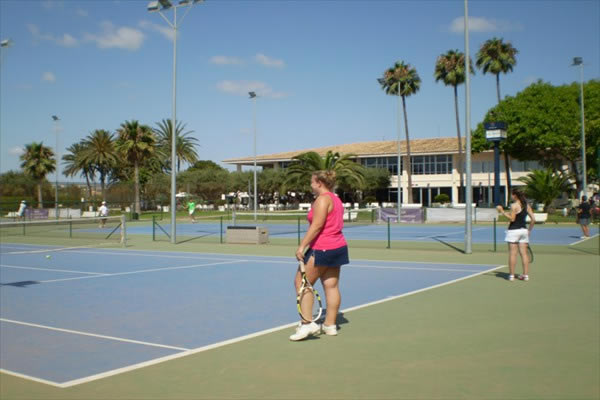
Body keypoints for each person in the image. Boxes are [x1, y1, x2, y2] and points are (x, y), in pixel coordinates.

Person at [290, 170, 349, 341]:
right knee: (331, 286)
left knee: (301, 283)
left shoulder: (322, 200)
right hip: (338, 247)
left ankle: (307, 324)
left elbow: (317, 226)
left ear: (319, 183)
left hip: (322, 247)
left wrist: (302, 246)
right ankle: (330, 325)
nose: (310, 185)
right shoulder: (336, 199)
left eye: (312, 182)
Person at [496, 189, 535, 282]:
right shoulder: (527, 205)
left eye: (511, 195)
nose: (511, 196)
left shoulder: (514, 205)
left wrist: (502, 211)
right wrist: (529, 230)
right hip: (524, 231)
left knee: (513, 254)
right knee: (524, 254)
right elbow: (533, 220)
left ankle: (512, 276)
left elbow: (512, 219)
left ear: (514, 196)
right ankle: (525, 276)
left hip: (514, 231)